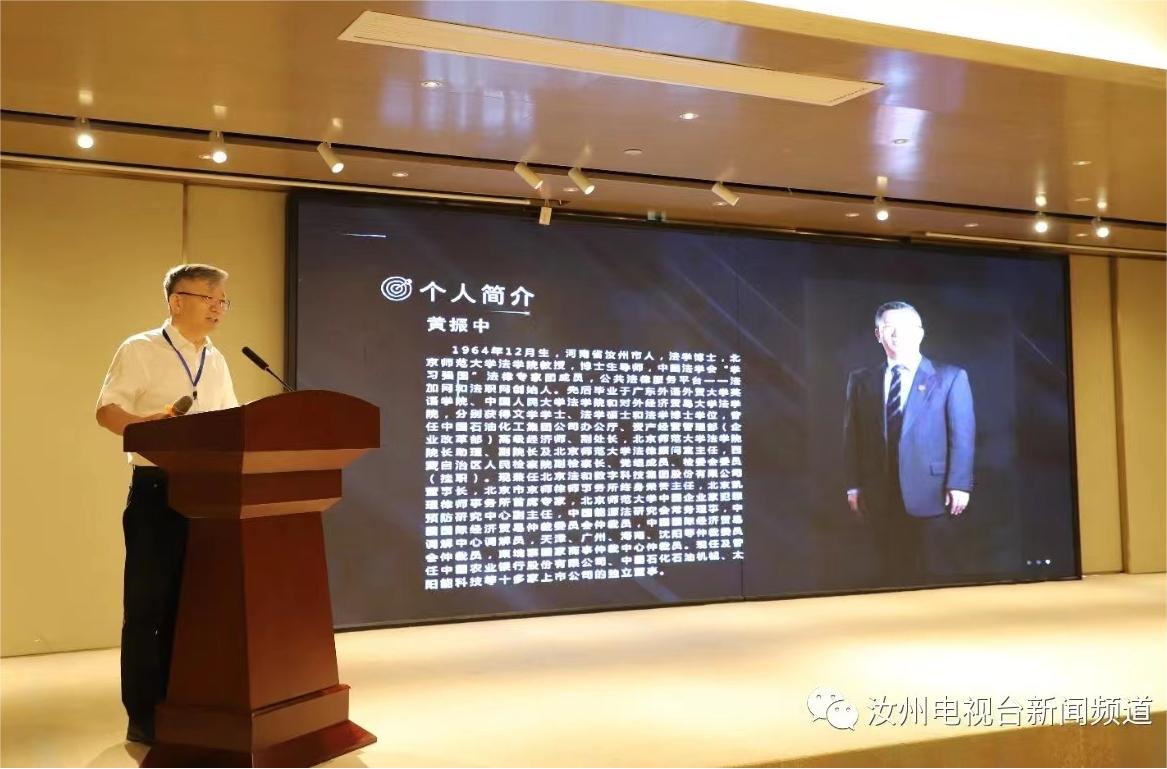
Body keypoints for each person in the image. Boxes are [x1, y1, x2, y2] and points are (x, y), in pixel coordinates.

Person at [95, 264, 238, 744]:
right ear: (177, 301)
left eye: (223, 300)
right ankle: (144, 713)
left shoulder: (215, 359)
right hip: (157, 490)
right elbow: (107, 411)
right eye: (210, 298)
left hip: (210, 496)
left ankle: (184, 699)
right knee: (147, 607)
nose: (219, 307)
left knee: (192, 605)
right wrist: (146, 426)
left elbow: (231, 421)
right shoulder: (141, 348)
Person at [843, 300, 975, 585]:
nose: (896, 334)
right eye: (888, 327)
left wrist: (959, 483)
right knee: (889, 573)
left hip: (933, 491)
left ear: (920, 333)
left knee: (935, 572)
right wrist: (854, 485)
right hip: (879, 491)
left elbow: (962, 436)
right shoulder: (861, 380)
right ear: (878, 334)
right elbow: (852, 437)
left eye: (904, 327)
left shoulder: (950, 377)